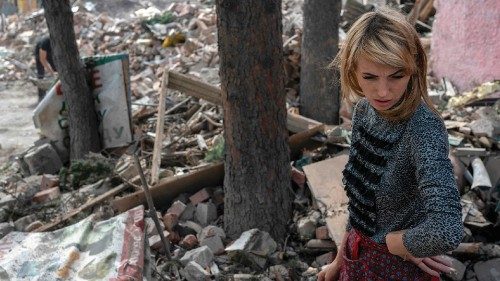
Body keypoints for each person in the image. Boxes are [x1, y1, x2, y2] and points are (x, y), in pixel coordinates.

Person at [318, 7, 463, 281]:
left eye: (397, 76)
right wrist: (339, 260)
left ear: (414, 70)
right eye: (369, 77)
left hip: (397, 270)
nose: (382, 92)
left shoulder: (423, 127)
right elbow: (361, 201)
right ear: (352, 72)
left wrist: (400, 243)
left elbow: (447, 227)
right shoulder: (364, 111)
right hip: (356, 260)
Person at [34, 35, 57, 101]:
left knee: (56, 69)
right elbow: (42, 59)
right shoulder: (45, 42)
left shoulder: (59, 43)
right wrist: (51, 72)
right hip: (39, 53)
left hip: (50, 53)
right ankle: (41, 96)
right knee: (41, 73)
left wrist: (55, 71)